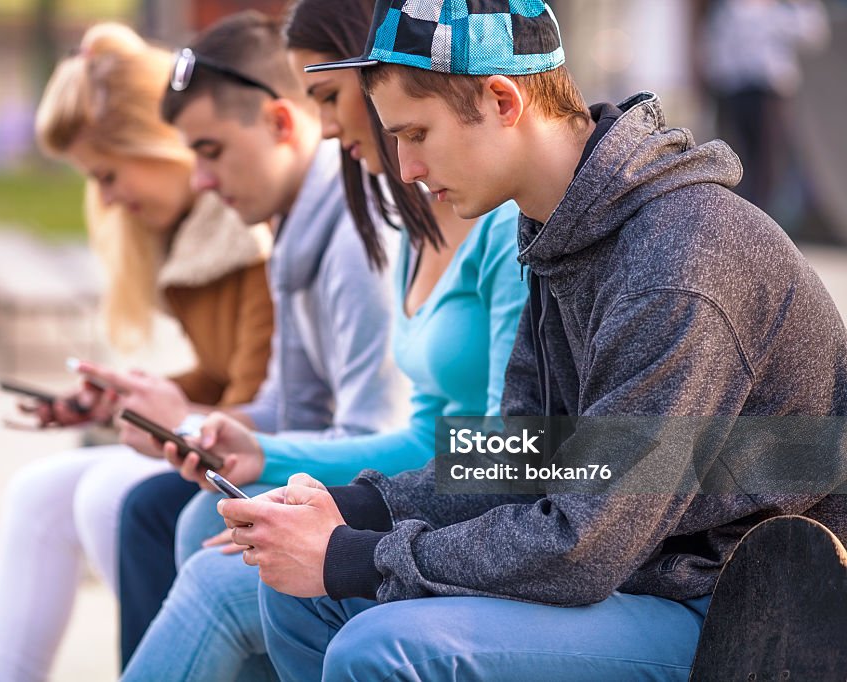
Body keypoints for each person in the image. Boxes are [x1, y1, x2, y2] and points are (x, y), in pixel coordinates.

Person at [225, 1, 846, 680]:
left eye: (416, 133)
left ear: (500, 99)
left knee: (382, 647)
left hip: (739, 609)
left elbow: (584, 544)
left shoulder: (678, 267)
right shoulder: (562, 233)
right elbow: (523, 457)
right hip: (642, 569)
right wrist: (352, 506)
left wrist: (352, 555)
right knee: (299, 601)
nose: (403, 169)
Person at [117, 1, 528, 678]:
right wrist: (265, 455)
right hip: (444, 497)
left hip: (482, 525)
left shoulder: (501, 223)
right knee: (210, 531)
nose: (327, 125)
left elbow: (522, 460)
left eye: (330, 96)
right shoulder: (416, 223)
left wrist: (342, 531)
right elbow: (428, 436)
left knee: (225, 574)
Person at [104, 11, 409, 669]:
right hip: (463, 490)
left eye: (210, 151)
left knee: (202, 539)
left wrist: (221, 435)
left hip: (438, 499)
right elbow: (514, 454)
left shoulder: (368, 234)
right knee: (175, 514)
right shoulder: (300, 229)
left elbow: (608, 474)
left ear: (280, 122)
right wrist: (206, 429)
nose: (203, 182)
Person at [0, 23, 277, 682]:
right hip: (247, 436)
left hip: (280, 454)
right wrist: (125, 401)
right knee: (40, 489)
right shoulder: (188, 237)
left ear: (159, 142)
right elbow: (225, 374)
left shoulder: (245, 232)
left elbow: (265, 405)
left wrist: (171, 412)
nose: (108, 198)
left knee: (109, 496)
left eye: (108, 173)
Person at [700, 0, 829, 223]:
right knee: (738, 153)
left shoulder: (784, 10)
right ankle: (739, 213)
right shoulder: (732, 8)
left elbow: (813, 35)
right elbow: (718, 46)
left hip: (771, 92)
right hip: (737, 90)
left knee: (769, 158)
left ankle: (762, 216)